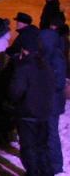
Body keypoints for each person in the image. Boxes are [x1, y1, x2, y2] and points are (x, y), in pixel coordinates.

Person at [9, 28, 55, 176]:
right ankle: (46, 172)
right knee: (42, 146)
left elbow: (16, 91)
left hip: (27, 114)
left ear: (24, 49)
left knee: (29, 147)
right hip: (44, 113)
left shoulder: (24, 67)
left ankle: (33, 173)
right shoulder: (46, 66)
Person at [39, 11, 67, 172]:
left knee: (51, 133)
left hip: (52, 102)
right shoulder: (50, 55)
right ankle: (48, 162)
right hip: (48, 101)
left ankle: (56, 165)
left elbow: (58, 82)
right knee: (46, 133)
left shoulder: (55, 58)